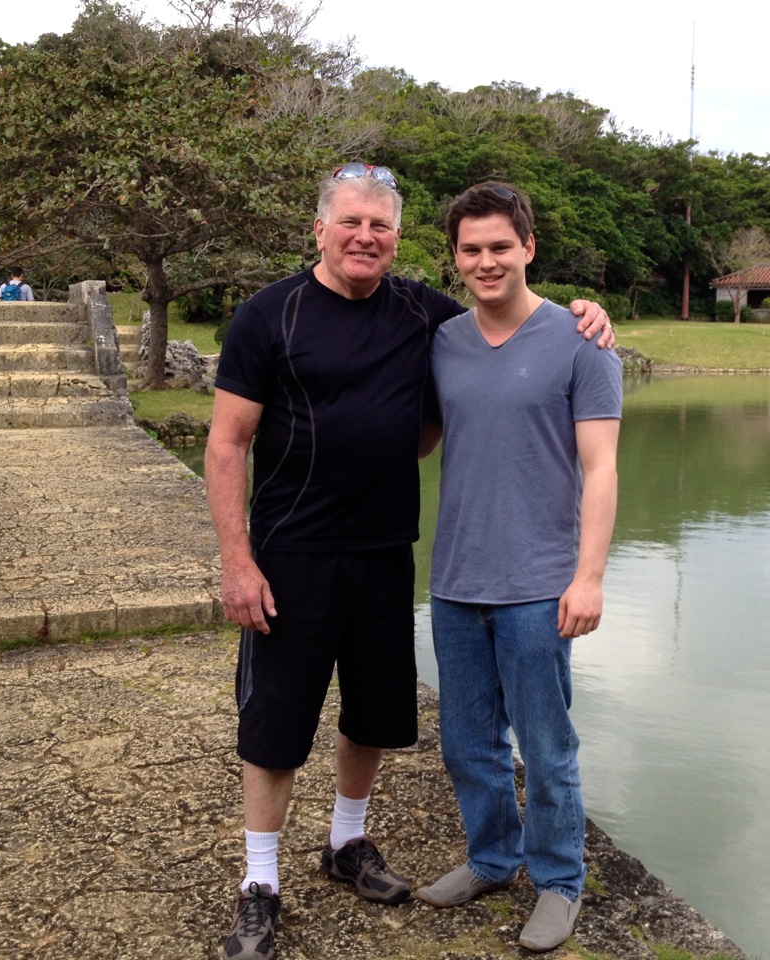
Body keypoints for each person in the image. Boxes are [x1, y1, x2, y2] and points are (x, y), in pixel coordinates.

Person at [205, 163, 614, 960]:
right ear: (319, 229)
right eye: (350, 222)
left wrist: (588, 313)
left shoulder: (428, 316)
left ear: (398, 239)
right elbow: (227, 443)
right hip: (295, 556)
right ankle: (261, 882)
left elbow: (513, 338)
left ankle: (355, 844)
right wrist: (237, 562)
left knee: (381, 716)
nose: (364, 237)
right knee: (282, 725)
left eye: (380, 226)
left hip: (392, 553)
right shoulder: (271, 315)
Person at [414, 182, 622, 953]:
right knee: (468, 743)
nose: (486, 261)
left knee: (547, 745)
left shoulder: (581, 340)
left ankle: (560, 880)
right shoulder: (443, 341)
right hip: (455, 577)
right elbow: (418, 438)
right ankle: (492, 859)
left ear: (528, 247)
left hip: (540, 583)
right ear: (455, 257)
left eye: (500, 246)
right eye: (471, 249)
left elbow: (601, 469)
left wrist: (588, 577)